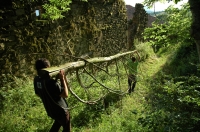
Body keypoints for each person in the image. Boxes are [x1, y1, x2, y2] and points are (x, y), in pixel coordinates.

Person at [33, 58, 71, 132]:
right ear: (47, 68)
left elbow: (38, 94)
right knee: (67, 129)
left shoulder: (36, 79)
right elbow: (65, 94)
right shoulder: (50, 82)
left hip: (50, 110)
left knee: (57, 123)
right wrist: (62, 79)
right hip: (61, 110)